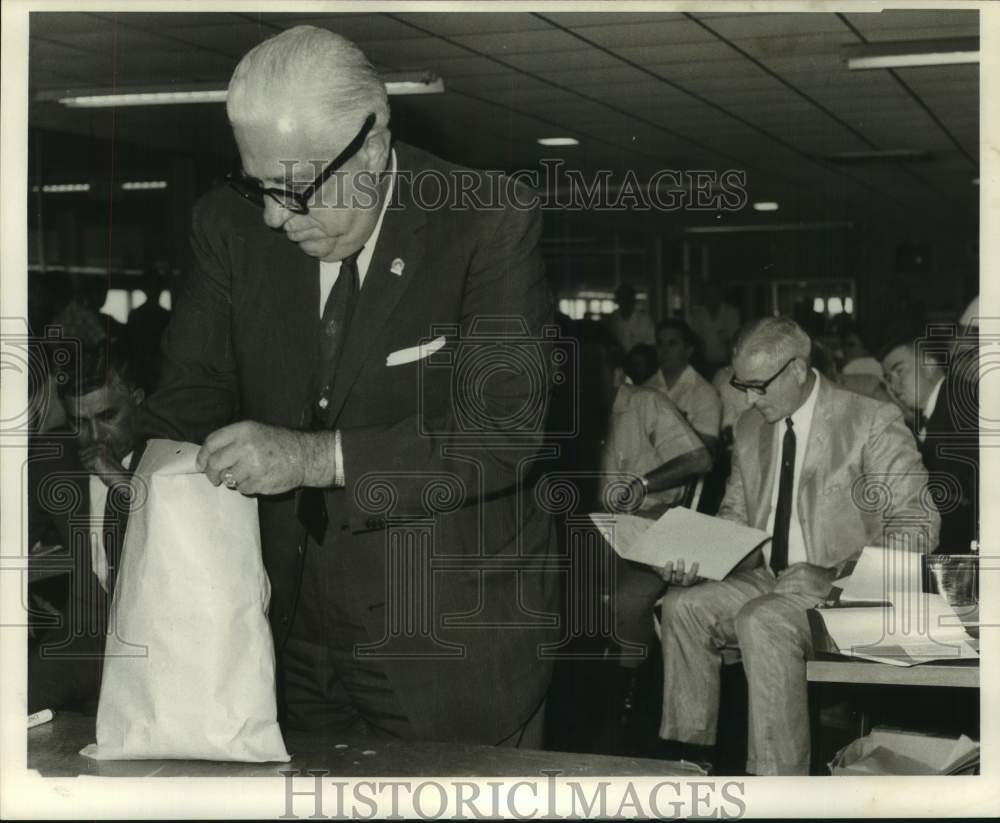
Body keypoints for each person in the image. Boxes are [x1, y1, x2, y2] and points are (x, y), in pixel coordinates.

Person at [138, 26, 557, 747]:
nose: (274, 216)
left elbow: (503, 434)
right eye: (258, 185)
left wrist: (311, 458)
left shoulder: (485, 220)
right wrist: (140, 471)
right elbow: (190, 397)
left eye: (296, 189)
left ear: (372, 144)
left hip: (449, 637)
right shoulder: (229, 228)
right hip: (282, 631)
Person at [658, 317, 938, 775]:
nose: (748, 399)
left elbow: (918, 523)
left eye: (758, 386)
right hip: (775, 580)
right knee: (681, 606)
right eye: (740, 385)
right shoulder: (751, 429)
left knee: (763, 619)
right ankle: (691, 766)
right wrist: (699, 557)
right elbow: (734, 521)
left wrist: (836, 575)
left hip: (851, 593)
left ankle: (779, 788)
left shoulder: (869, 421)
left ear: (797, 369)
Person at [598, 353, 711, 738]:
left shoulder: (646, 403)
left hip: (652, 517)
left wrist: (644, 484)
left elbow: (699, 459)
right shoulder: (575, 409)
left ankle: (628, 691)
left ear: (615, 373)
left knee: (627, 599)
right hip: (595, 524)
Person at [28, 342, 145, 713]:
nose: (94, 436)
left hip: (156, 634)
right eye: (79, 421)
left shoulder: (175, 454)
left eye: (108, 415)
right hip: (83, 634)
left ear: (139, 402)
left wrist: (126, 484)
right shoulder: (53, 461)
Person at [882, 339, 978, 553]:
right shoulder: (935, 411)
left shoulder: (964, 405)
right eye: (888, 378)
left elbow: (971, 498)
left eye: (900, 371)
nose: (893, 386)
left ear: (929, 362)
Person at [644, 319, 722, 455]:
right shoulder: (646, 388)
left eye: (672, 344)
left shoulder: (704, 393)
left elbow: (707, 451)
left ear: (688, 351)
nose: (664, 350)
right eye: (660, 344)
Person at [688, 282, 740, 375]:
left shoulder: (731, 312)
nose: (710, 299)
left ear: (719, 295)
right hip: (704, 364)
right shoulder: (697, 313)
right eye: (707, 295)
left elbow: (735, 340)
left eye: (713, 294)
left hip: (727, 364)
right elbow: (694, 338)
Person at [604, 284, 655, 353]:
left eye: (628, 298)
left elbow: (651, 344)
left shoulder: (644, 320)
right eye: (622, 298)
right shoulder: (612, 319)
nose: (625, 301)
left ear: (633, 300)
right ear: (617, 300)